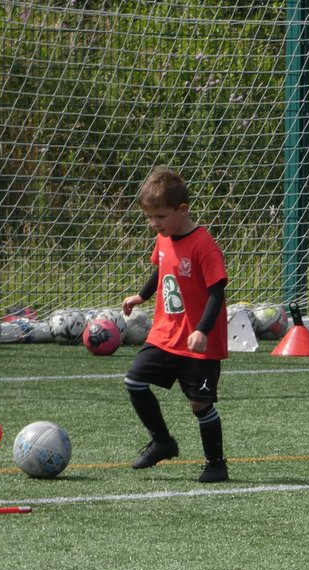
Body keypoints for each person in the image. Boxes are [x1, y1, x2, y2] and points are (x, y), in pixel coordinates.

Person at [121, 167, 231, 483]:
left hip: (198, 342)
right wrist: (141, 296)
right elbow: (161, 269)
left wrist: (202, 330)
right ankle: (163, 441)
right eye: (151, 218)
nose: (155, 224)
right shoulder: (164, 238)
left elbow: (216, 291)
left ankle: (216, 464)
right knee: (135, 381)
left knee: (200, 403)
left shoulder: (203, 244)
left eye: (161, 217)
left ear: (182, 210)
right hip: (165, 333)